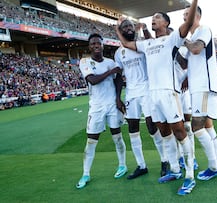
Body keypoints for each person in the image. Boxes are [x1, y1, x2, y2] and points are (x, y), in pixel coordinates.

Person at [115, 0, 198, 195]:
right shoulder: (147, 43)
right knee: (165, 134)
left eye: (157, 18)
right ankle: (175, 171)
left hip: (169, 93)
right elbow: (126, 43)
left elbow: (187, 24)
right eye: (152, 18)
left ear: (166, 23)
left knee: (179, 132)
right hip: (153, 96)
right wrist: (118, 28)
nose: (153, 20)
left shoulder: (172, 40)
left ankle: (189, 176)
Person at [114, 19, 169, 179]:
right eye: (125, 27)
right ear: (121, 31)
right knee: (132, 129)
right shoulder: (119, 53)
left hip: (147, 91)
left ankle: (164, 160)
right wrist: (118, 98)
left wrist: (145, 29)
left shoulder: (144, 45)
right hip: (131, 93)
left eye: (130, 26)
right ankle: (141, 165)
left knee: (152, 127)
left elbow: (154, 43)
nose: (128, 29)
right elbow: (119, 76)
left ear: (134, 29)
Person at [76, 33, 127, 189]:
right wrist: (110, 72)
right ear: (89, 47)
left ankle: (122, 165)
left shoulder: (110, 62)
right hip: (97, 106)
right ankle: (86, 173)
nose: (96, 46)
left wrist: (118, 98)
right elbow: (93, 80)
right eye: (93, 44)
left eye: (98, 43)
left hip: (112, 104)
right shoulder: (85, 62)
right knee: (91, 140)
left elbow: (119, 80)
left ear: (103, 45)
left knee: (117, 136)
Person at [182, 5, 217, 181]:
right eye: (184, 15)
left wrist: (181, 39)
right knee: (207, 126)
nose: (185, 18)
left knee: (196, 127)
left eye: (187, 14)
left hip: (204, 87)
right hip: (199, 88)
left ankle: (214, 166)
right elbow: (185, 62)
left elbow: (196, 49)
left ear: (196, 16)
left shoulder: (203, 30)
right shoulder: (192, 36)